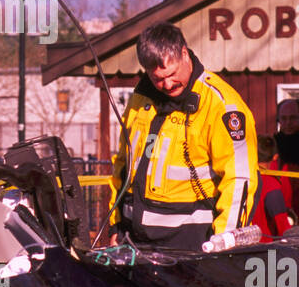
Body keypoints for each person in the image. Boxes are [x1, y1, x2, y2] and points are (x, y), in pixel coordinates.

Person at [109, 22, 259, 249]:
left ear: (184, 54)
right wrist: (116, 225)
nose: (167, 84)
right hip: (133, 242)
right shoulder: (140, 100)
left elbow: (239, 181)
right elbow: (124, 164)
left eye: (171, 74)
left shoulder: (222, 106)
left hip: (192, 247)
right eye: (157, 78)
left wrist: (225, 244)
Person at [250, 134, 294, 240]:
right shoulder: (271, 184)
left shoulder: (243, 179)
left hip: (241, 245)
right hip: (266, 248)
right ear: (275, 157)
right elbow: (282, 224)